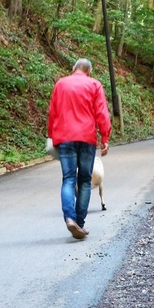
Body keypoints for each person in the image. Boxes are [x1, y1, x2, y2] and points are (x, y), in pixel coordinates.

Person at [47, 58, 111, 239]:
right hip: (87, 138)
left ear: (73, 68)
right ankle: (80, 223)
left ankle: (69, 218)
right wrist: (105, 136)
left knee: (68, 179)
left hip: (65, 137)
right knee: (84, 180)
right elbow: (102, 113)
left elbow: (53, 112)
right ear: (89, 71)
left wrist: (51, 135)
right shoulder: (94, 84)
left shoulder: (61, 84)